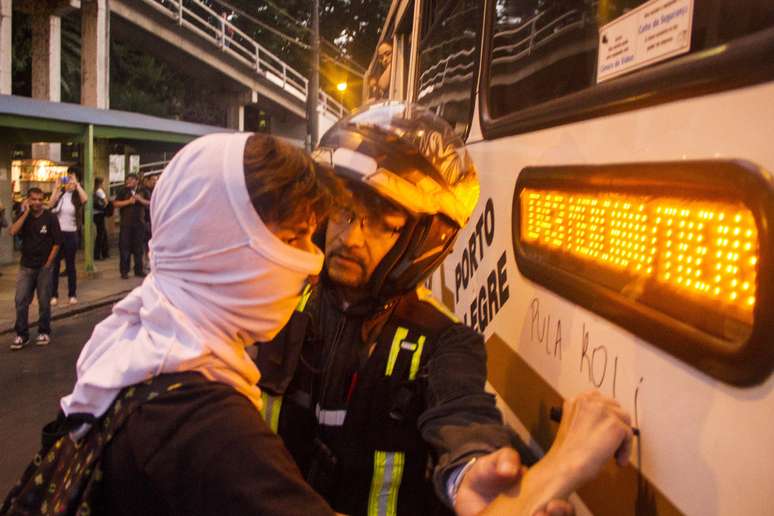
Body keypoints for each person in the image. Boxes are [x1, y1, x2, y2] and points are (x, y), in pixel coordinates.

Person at [3, 133, 342, 515]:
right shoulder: (207, 429)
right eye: (294, 238)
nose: (312, 265)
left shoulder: (135, 345)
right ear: (221, 241)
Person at [8, 187, 62, 350]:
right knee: (20, 300)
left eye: (40, 199)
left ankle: (44, 331)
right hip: (26, 266)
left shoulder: (51, 218)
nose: (37, 203)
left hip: (44, 267)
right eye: (34, 199)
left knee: (44, 301)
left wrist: (48, 263)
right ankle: (22, 334)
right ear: (29, 200)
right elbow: (12, 231)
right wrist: (24, 213)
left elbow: (57, 242)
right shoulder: (25, 217)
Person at [48, 167, 87, 305]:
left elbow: (85, 199)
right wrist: (56, 188)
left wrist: (77, 185)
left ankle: (72, 294)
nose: (69, 181)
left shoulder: (77, 196)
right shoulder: (61, 194)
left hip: (71, 233)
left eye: (72, 179)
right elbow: (50, 205)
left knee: (70, 265)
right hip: (58, 235)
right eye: (68, 178)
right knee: (55, 265)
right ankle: (54, 295)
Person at [113, 173, 149, 279]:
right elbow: (115, 204)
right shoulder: (123, 191)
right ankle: (124, 271)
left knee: (139, 248)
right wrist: (128, 201)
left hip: (139, 224)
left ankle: (139, 270)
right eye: (127, 180)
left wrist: (140, 199)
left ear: (137, 181)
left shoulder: (143, 191)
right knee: (125, 248)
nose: (128, 182)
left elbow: (150, 203)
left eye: (131, 180)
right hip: (126, 224)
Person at [92, 176, 110, 261]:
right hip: (100, 214)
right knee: (101, 234)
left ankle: (103, 253)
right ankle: (98, 254)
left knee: (102, 234)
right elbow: (106, 202)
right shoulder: (99, 190)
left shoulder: (94, 190)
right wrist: (105, 208)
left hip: (95, 214)